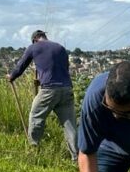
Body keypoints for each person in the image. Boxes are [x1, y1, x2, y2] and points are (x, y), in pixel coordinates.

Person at [7, 30, 78, 161]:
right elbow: (62, 69)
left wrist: (11, 76)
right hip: (67, 89)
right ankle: (76, 158)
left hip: (49, 90)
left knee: (36, 116)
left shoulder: (33, 47)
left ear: (34, 39)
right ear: (44, 37)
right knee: (70, 125)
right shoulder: (60, 48)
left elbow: (20, 66)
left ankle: (33, 149)